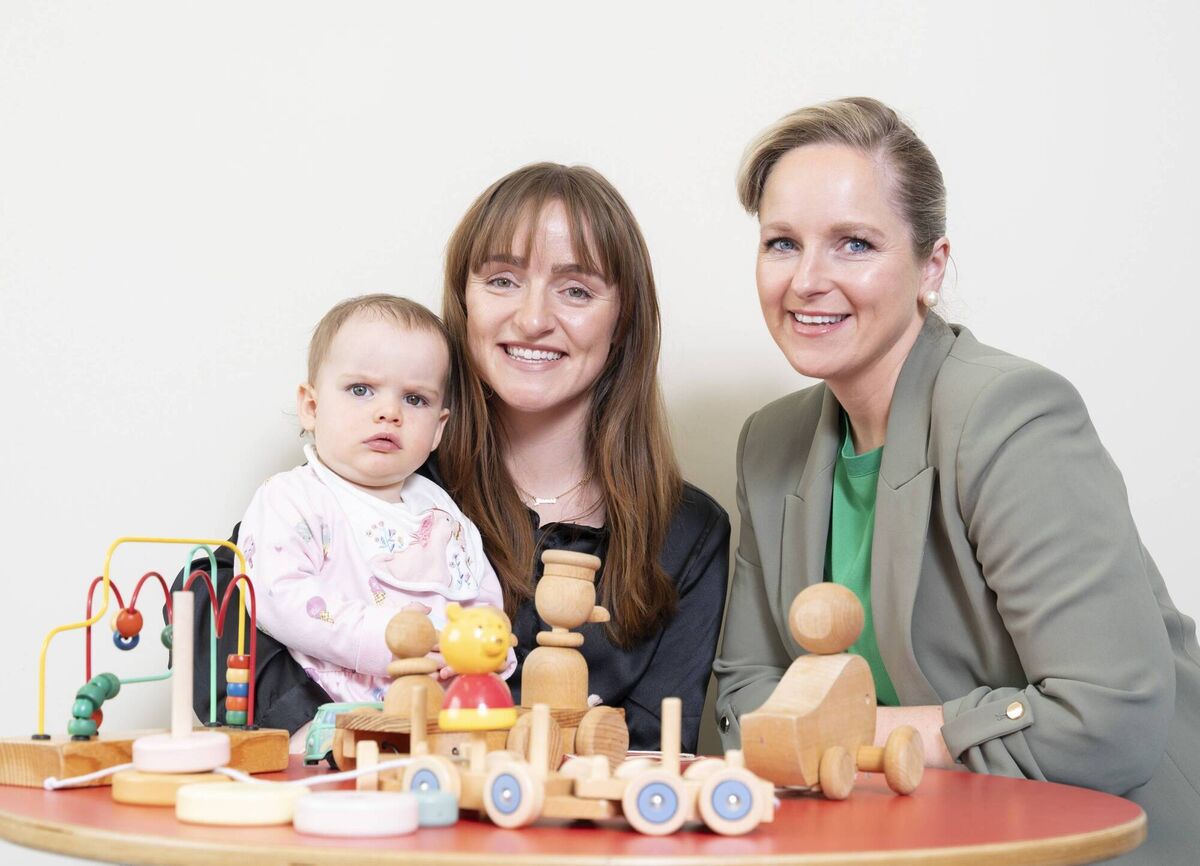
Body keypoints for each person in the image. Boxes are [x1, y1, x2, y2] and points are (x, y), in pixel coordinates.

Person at [712, 97, 1199, 864]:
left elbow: (1108, 722)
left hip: (1094, 841)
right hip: (908, 837)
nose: (806, 279)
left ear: (930, 267)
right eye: (782, 243)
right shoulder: (769, 444)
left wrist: (846, 734)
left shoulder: (1012, 416)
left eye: (853, 244)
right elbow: (743, 700)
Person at [434, 163, 730, 753]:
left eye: (576, 290)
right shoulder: (379, 485)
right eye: (502, 280)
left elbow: (658, 752)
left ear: (622, 322)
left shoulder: (690, 533)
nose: (533, 319)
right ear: (464, 302)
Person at [178, 295, 512, 746]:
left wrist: (481, 649)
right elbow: (277, 597)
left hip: (441, 722)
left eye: (414, 399)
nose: (389, 412)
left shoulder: (442, 512)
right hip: (335, 723)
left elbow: (480, 597)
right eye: (361, 390)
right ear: (311, 407)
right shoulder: (292, 499)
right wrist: (383, 637)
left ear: (438, 428)